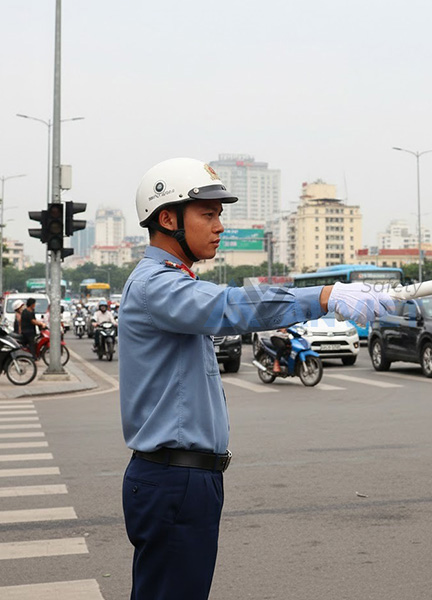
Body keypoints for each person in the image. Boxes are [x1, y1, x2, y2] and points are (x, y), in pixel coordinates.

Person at [118, 157, 395, 600]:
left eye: (219, 215)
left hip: (184, 478)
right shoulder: (157, 285)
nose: (220, 226)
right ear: (167, 219)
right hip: (174, 478)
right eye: (208, 214)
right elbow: (230, 307)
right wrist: (325, 295)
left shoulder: (172, 282)